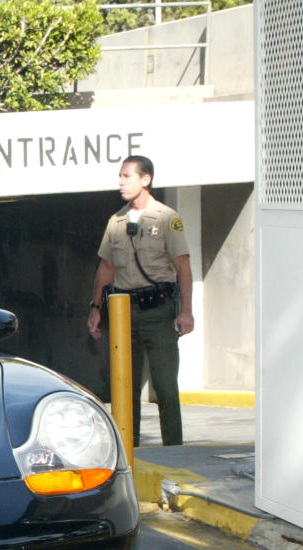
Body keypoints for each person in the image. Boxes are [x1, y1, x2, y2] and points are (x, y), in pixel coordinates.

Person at [87, 155, 193, 446]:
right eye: (120, 176)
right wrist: (95, 307)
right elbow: (106, 268)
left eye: (127, 176)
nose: (120, 182)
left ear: (145, 179)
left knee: (165, 386)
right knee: (124, 386)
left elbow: (183, 267)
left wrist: (186, 311)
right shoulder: (116, 221)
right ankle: (129, 450)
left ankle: (174, 449)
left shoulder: (166, 218)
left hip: (158, 310)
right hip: (123, 312)